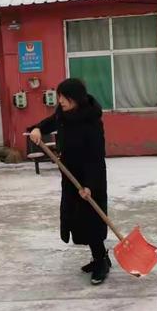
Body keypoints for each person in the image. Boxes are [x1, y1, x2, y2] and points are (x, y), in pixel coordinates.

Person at [28, 79, 111, 285]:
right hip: (70, 176)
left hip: (90, 177)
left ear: (76, 98)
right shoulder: (63, 115)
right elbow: (49, 122)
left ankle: (101, 261)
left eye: (64, 97)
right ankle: (99, 257)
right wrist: (37, 128)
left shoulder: (91, 122)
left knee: (93, 219)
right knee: (78, 219)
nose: (60, 101)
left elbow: (96, 156)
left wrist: (90, 185)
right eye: (59, 97)